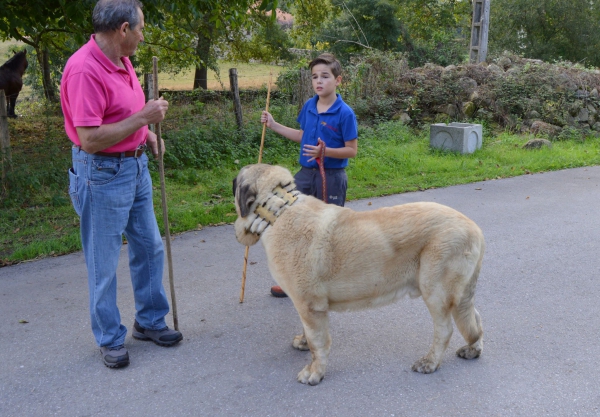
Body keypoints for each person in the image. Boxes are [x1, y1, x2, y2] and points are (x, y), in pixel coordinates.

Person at [61, 0, 182, 369]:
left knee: (149, 246)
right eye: (141, 28)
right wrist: (144, 117)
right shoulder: (84, 69)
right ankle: (110, 338)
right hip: (101, 172)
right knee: (104, 262)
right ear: (123, 30)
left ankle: (148, 321)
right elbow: (90, 139)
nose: (144, 36)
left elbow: (124, 112)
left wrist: (146, 134)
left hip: (135, 168)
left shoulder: (121, 59)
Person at [260, 53, 358, 298]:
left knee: (328, 231)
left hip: (332, 176)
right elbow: (302, 136)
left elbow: (352, 150)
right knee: (292, 224)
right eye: (315, 76)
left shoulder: (345, 113)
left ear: (338, 80)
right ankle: (291, 279)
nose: (319, 81)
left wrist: (325, 151)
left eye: (325, 76)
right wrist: (273, 125)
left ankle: (328, 284)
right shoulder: (308, 106)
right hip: (305, 175)